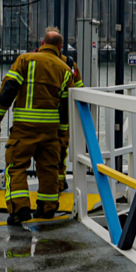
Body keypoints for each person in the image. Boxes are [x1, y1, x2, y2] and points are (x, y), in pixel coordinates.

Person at [0, 29, 73, 225]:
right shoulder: (66, 70)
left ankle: (19, 210)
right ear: (59, 47)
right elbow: (64, 107)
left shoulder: (25, 60)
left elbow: (9, 88)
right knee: (49, 168)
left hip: (25, 127)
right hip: (51, 129)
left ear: (42, 42)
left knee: (16, 166)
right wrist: (62, 133)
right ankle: (47, 208)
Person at [44, 26, 83, 192]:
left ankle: (48, 185)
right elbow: (79, 89)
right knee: (60, 151)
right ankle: (59, 182)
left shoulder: (31, 60)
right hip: (62, 115)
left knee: (42, 153)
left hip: (40, 115)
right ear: (60, 46)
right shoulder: (69, 64)